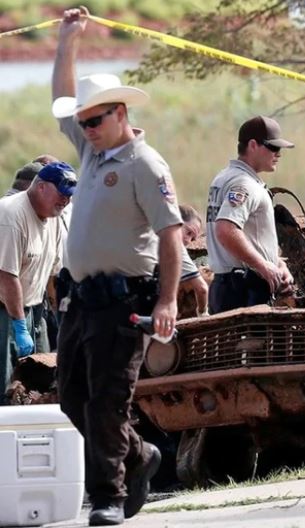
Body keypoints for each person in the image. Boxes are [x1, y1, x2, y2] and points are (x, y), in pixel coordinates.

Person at [52, 7, 183, 526]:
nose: (85, 128)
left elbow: (173, 234)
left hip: (123, 300)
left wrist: (168, 300)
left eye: (94, 120)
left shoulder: (144, 165)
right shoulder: (90, 152)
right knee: (72, 397)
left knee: (107, 400)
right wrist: (68, 40)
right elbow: (62, 96)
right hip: (81, 300)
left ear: (120, 113)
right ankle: (139, 454)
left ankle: (108, 496)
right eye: (82, 122)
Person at [0, 162, 74, 402]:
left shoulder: (54, 217)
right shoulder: (11, 216)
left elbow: (53, 275)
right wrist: (20, 327)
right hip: (5, 311)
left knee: (40, 381)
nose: (66, 201)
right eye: (62, 194)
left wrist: (59, 317)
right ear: (41, 187)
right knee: (5, 383)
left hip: (34, 308)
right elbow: (6, 277)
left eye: (69, 196)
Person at [206, 115, 294, 314]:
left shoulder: (225, 176)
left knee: (230, 345)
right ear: (253, 145)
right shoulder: (244, 183)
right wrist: (262, 265)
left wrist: (276, 263)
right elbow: (226, 230)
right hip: (244, 288)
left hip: (229, 285)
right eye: (273, 147)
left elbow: (249, 235)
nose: (278, 154)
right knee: (253, 345)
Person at [179, 204, 208, 316]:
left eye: (193, 238)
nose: (188, 241)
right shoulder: (175, 246)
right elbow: (202, 289)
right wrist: (202, 312)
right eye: (188, 232)